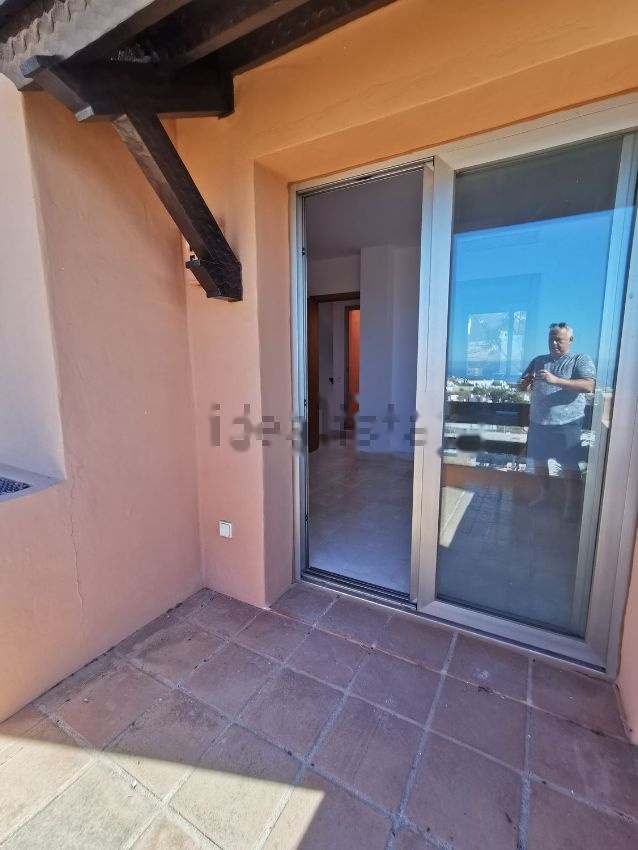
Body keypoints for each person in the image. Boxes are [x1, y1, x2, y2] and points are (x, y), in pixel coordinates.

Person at [519, 323, 596, 518]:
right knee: (539, 463)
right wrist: (524, 383)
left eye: (558, 339)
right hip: (538, 422)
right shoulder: (538, 360)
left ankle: (571, 504)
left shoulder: (580, 359)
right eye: (551, 339)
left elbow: (589, 385)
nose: (553, 343)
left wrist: (556, 380)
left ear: (570, 340)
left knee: (569, 466)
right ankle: (545, 495)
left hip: (567, 423)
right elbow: (520, 387)